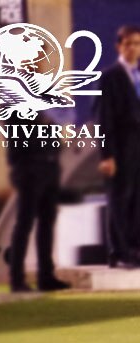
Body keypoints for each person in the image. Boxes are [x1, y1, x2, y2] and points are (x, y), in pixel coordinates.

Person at [6, 111, 71, 292]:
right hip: (30, 167)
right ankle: (17, 279)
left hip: (49, 165)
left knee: (47, 223)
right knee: (24, 223)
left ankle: (46, 276)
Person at [97, 25, 140, 268]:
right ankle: (118, 250)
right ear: (119, 46)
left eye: (137, 43)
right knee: (119, 198)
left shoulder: (139, 74)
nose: (133, 48)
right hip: (120, 147)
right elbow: (104, 118)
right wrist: (107, 154)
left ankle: (134, 248)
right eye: (128, 44)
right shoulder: (110, 77)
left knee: (136, 200)